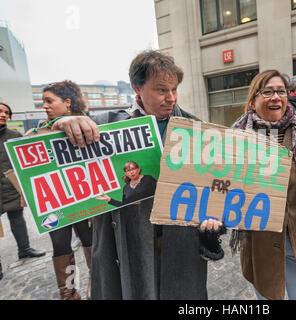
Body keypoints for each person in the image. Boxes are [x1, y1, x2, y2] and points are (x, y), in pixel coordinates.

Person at [52, 50, 225, 300]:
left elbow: (212, 188)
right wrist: (63, 125)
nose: (171, 98)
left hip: (179, 248)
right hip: (126, 246)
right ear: (137, 88)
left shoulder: (195, 128)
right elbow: (47, 152)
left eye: (174, 89)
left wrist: (212, 226)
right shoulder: (104, 126)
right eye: (161, 90)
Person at [229, 69, 296, 300]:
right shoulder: (236, 139)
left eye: (281, 91)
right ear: (252, 100)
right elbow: (221, 185)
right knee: (269, 294)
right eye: (267, 92)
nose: (276, 97)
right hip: (262, 242)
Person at [27, 81, 93, 300]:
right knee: (60, 246)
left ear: (67, 102)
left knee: (91, 241)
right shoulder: (36, 132)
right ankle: (69, 292)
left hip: (84, 197)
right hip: (55, 201)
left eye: (49, 100)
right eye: (43, 101)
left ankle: (98, 283)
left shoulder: (88, 124)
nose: (44, 105)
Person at [0, 102, 46, 278]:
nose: (4, 114)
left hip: (11, 188)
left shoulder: (13, 136)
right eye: (0, 111)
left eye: (7, 112)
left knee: (18, 221)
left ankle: (24, 249)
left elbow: (23, 163)